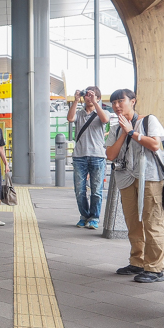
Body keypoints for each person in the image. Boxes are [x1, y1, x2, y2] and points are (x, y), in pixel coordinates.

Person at [106, 88, 164, 283]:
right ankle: (137, 261)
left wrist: (132, 132)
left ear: (133, 101)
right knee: (133, 222)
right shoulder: (116, 128)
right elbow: (110, 155)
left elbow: (155, 145)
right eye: (113, 102)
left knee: (153, 221)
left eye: (120, 101)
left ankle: (155, 267)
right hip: (126, 177)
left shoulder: (148, 120)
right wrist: (124, 133)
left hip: (149, 177)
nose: (116, 105)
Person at [67, 86, 111, 229]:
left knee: (96, 190)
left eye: (92, 95)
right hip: (79, 156)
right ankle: (84, 216)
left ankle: (94, 218)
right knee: (79, 190)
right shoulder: (79, 113)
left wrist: (95, 102)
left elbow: (105, 120)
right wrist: (75, 100)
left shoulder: (102, 112)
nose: (89, 98)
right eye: (87, 95)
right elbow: (70, 118)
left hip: (97, 156)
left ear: (98, 98)